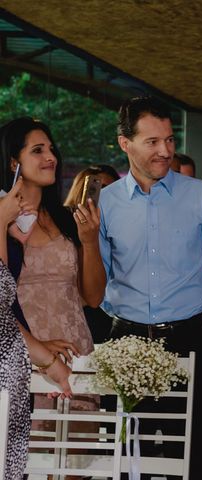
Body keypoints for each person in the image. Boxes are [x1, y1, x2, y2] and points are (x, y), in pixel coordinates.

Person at [99, 96, 202, 478]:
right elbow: (101, 279)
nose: (165, 151)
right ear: (125, 143)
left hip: (189, 337)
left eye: (170, 140)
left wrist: (188, 313)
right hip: (125, 343)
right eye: (152, 142)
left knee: (192, 458)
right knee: (127, 458)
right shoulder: (106, 203)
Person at [0, 117, 102, 480]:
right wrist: (39, 348)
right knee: (30, 465)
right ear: (14, 161)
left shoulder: (66, 218)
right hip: (26, 354)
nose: (51, 157)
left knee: (77, 467)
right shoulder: (3, 216)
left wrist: (90, 241)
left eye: (52, 149)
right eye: (37, 150)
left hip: (75, 352)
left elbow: (92, 297)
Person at [0, 176, 73, 480]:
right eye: (17, 196)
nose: (22, 203)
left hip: (10, 381)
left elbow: (3, 315)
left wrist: (47, 360)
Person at [64, 164, 120, 344]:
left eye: (112, 189)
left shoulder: (123, 226)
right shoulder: (64, 225)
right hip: (80, 312)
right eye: (98, 189)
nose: (104, 196)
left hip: (116, 312)